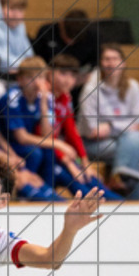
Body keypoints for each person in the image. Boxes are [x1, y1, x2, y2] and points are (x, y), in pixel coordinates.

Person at [0, 56, 91, 199]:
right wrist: (59, 144)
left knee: (48, 151)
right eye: (30, 77)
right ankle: (25, 193)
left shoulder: (44, 98)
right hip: (9, 145)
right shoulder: (13, 97)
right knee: (35, 152)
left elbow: (47, 135)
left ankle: (48, 191)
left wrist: (43, 104)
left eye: (40, 77)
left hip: (29, 144)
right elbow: (21, 137)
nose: (36, 83)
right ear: (20, 79)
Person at [77, 45, 139, 200]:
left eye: (115, 59)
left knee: (134, 141)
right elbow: (92, 131)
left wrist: (110, 126)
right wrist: (123, 126)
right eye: (107, 59)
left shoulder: (133, 87)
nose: (111, 63)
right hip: (90, 144)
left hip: (120, 140)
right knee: (133, 146)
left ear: (123, 63)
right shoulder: (90, 89)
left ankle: (121, 179)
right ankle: (134, 203)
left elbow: (137, 123)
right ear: (101, 63)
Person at [49, 54, 120, 200]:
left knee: (92, 180)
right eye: (63, 73)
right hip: (49, 153)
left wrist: (85, 162)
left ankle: (121, 204)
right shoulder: (44, 97)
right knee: (81, 185)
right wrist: (69, 163)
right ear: (50, 73)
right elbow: (41, 136)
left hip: (60, 152)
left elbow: (72, 132)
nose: (67, 80)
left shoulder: (65, 98)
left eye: (72, 76)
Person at [31, 9, 96, 70]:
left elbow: (93, 63)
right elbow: (36, 58)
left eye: (75, 39)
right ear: (61, 24)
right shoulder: (46, 32)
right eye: (67, 36)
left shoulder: (93, 36)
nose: (69, 42)